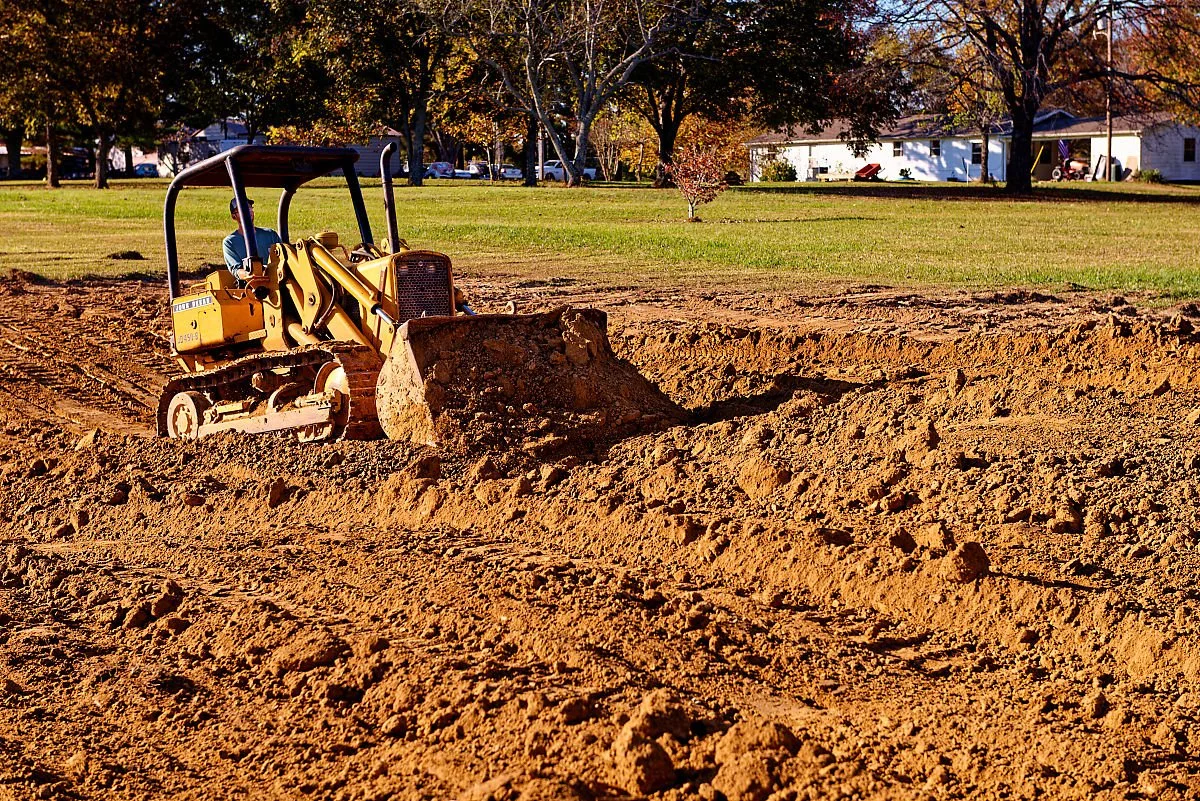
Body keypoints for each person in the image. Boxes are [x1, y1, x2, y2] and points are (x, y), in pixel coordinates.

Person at [223, 197, 282, 280]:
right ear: (234, 216)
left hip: (278, 279)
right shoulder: (230, 242)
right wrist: (252, 274)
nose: (247, 210)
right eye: (241, 209)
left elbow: (284, 257)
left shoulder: (270, 234)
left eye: (249, 207)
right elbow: (236, 270)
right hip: (251, 285)